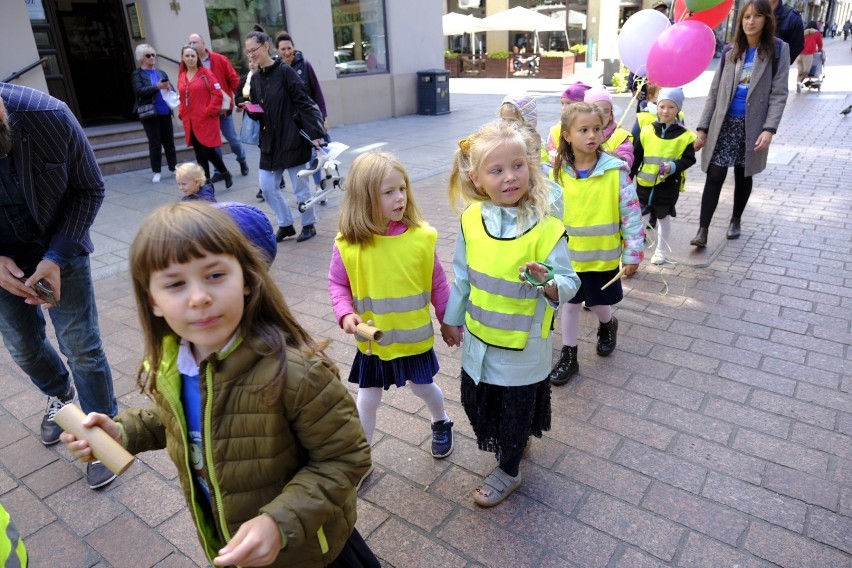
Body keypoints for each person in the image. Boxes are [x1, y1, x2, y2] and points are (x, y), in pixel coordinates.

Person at [60, 202, 378, 568]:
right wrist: (122, 432)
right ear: (153, 301)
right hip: (230, 541)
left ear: (245, 279)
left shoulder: (298, 373)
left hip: (308, 551)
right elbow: (176, 418)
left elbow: (345, 457)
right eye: (176, 284)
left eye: (214, 275)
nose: (199, 297)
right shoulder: (172, 365)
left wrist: (279, 522)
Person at [442, 121, 580, 507]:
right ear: (477, 178)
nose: (510, 177)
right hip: (480, 342)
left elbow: (570, 283)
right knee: (477, 403)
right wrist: (452, 318)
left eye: (518, 166)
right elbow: (462, 276)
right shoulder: (471, 220)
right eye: (497, 170)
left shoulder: (546, 228)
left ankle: (509, 469)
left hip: (523, 348)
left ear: (530, 167)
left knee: (514, 411)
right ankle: (513, 445)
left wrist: (547, 282)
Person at [0, 83, 118, 489]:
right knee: (23, 347)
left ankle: (105, 437)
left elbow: (90, 188)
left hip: (60, 243)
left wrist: (55, 257)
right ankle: (59, 393)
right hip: (2, 262)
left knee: (81, 346)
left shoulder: (48, 115)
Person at [328, 151, 454, 457]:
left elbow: (437, 283)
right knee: (367, 398)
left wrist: (448, 320)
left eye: (403, 188)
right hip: (374, 342)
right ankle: (362, 455)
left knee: (423, 387)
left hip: (413, 339)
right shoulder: (349, 243)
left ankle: (442, 421)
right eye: (389, 192)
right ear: (364, 198)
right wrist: (344, 313)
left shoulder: (421, 238)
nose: (400, 198)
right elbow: (338, 284)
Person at [547, 102, 643, 385]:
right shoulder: (557, 172)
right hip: (568, 259)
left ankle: (607, 323)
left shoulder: (616, 172)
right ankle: (569, 354)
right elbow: (549, 214)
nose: (592, 135)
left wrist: (633, 252)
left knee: (599, 302)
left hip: (602, 258)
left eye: (597, 129)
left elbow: (632, 214)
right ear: (567, 135)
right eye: (584, 130)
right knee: (571, 304)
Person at [691, 0, 790, 247]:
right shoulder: (730, 50)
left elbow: (779, 93)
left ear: (766, 20)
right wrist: (703, 127)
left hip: (753, 126)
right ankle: (702, 230)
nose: (750, 21)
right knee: (715, 174)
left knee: (743, 174)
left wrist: (769, 129)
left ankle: (736, 219)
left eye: (756, 17)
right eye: (746, 17)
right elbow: (714, 92)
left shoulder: (778, 50)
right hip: (724, 123)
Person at [242, 27, 325, 243]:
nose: (251, 55)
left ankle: (308, 224)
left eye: (254, 50)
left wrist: (316, 133)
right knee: (267, 186)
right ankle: (286, 223)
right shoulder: (257, 78)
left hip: (292, 136)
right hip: (270, 141)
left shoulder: (285, 71)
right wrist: (251, 109)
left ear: (266, 46)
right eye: (248, 52)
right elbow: (260, 108)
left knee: (300, 186)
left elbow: (303, 102)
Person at [630, 88, 696, 265]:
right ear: (657, 107)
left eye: (671, 107)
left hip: (667, 185)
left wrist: (674, 166)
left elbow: (689, 159)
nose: (665, 111)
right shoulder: (646, 131)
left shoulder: (686, 136)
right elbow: (636, 156)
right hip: (644, 183)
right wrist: (628, 177)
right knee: (639, 217)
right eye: (662, 106)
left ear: (678, 110)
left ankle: (660, 251)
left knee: (662, 217)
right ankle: (634, 250)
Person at [187, 33, 249, 179]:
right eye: (189, 43)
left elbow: (234, 80)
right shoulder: (190, 65)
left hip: (223, 110)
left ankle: (241, 159)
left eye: (195, 42)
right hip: (205, 113)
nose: (192, 46)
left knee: (232, 139)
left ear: (203, 44)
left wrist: (240, 99)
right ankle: (219, 171)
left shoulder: (219, 59)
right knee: (212, 143)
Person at [276, 31, 330, 196]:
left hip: (308, 117)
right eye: (283, 49)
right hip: (288, 122)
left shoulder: (305, 66)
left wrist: (323, 118)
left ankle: (319, 186)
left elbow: (317, 93)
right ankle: (303, 191)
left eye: (289, 48)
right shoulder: (276, 69)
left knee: (315, 151)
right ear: (277, 50)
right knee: (300, 156)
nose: (287, 52)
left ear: (294, 48)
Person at [177, 45, 233, 189]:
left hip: (205, 119)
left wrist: (209, 111)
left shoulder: (205, 73)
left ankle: (225, 172)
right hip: (190, 121)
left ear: (197, 58)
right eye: (187, 56)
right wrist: (182, 113)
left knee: (208, 150)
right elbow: (182, 97)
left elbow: (218, 94)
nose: (190, 59)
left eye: (193, 56)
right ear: (182, 58)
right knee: (199, 154)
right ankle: (207, 184)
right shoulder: (182, 76)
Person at [131, 44, 177, 184]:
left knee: (169, 142)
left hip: (164, 110)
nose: (152, 58)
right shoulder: (137, 74)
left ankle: (173, 168)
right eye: (148, 55)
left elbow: (172, 88)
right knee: (155, 143)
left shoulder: (161, 73)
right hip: (150, 112)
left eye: (153, 55)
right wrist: (157, 87)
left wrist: (169, 87)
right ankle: (157, 171)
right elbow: (140, 91)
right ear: (141, 58)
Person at [584, 85, 634, 169]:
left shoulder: (620, 136)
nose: (601, 115)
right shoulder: (579, 132)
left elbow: (627, 159)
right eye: (596, 110)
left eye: (606, 111)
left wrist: (615, 158)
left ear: (611, 115)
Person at [543, 81, 591, 165]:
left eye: (568, 103)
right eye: (562, 103)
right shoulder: (556, 130)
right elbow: (550, 154)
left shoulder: (595, 129)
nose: (563, 108)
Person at [796, 22, 824, 93]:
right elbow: (820, 44)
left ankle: (798, 84)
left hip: (798, 53)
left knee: (800, 71)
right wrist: (820, 50)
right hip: (808, 54)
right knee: (806, 71)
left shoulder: (802, 32)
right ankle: (799, 83)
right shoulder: (817, 33)